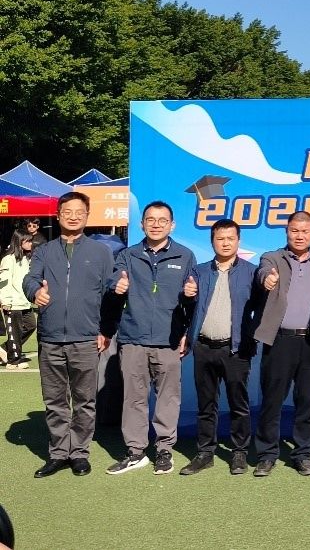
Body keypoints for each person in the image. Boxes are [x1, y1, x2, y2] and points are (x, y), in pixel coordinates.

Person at [22, 192, 114, 478]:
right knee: (55, 401)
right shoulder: (44, 251)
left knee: (85, 400)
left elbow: (110, 294)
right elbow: (30, 278)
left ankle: (79, 453)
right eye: (67, 211)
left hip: (86, 338)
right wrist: (35, 292)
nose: (73, 216)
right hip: (50, 338)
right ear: (58, 215)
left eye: (79, 212)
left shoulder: (101, 252)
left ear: (87, 216)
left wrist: (105, 330)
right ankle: (59, 453)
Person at [106, 201, 198, 475]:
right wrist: (116, 286)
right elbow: (113, 282)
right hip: (133, 338)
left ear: (172, 225)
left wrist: (189, 303)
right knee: (133, 398)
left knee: (168, 398)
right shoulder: (128, 255)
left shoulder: (185, 256)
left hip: (168, 340)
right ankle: (136, 451)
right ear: (141, 224)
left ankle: (164, 450)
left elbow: (192, 300)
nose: (156, 225)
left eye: (162, 220)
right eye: (150, 220)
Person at [252, 211, 310, 477]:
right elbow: (262, 273)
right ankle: (267, 455)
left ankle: (302, 454)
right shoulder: (272, 258)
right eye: (294, 231)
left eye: (305, 231)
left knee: (308, 401)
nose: (300, 236)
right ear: (286, 232)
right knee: (272, 401)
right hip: (280, 340)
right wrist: (267, 279)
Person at [179, 219, 261, 476]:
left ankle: (239, 452)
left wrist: (252, 336)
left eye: (230, 238)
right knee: (206, 404)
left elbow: (262, 308)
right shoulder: (199, 271)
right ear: (212, 241)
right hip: (204, 346)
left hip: (236, 349)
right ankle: (205, 453)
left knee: (239, 404)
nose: (225, 243)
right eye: (220, 238)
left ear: (239, 241)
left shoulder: (252, 272)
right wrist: (187, 295)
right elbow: (187, 307)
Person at [1, 230, 38, 369]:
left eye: (31, 241)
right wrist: (6, 300)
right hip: (12, 303)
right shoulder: (8, 259)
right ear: (19, 241)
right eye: (27, 241)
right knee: (15, 332)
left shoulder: (26, 259)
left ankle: (4, 349)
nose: (30, 243)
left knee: (31, 325)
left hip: (24, 302)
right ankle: (13, 360)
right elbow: (4, 281)